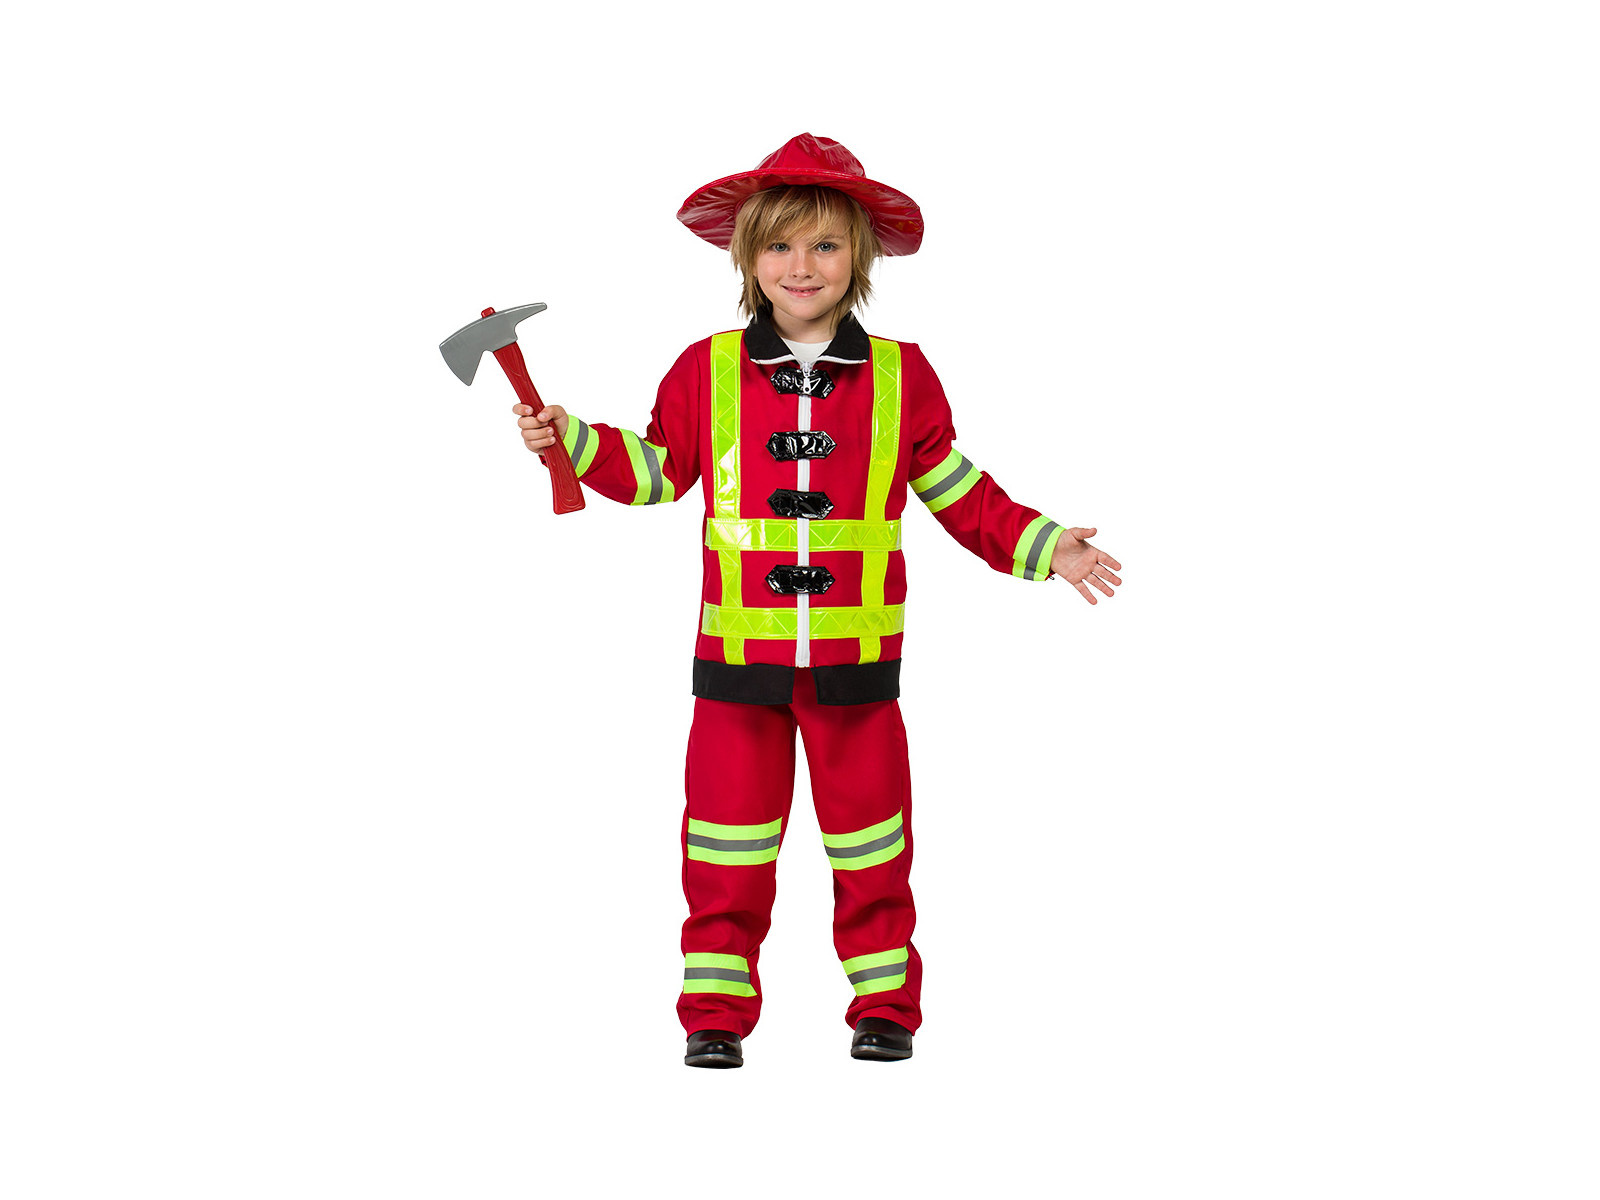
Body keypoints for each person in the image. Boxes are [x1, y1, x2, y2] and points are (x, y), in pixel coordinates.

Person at [512, 133, 1122, 1067]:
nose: (802, 266)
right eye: (781, 245)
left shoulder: (903, 375)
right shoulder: (706, 368)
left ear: (859, 257)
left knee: (874, 847)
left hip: (855, 667)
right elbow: (658, 470)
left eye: (826, 245)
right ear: (748, 256)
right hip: (738, 665)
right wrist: (573, 439)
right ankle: (714, 1017)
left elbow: (959, 491)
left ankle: (886, 1009)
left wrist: (1047, 548)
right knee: (725, 848)